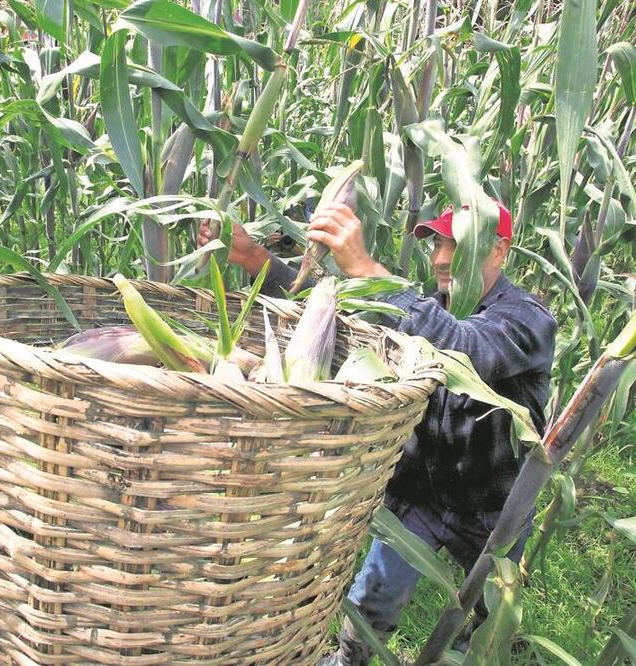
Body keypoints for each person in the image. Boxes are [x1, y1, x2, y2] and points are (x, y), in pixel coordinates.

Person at [197, 200, 557, 664]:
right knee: (372, 601)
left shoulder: (528, 318)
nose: (441, 258)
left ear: (498, 251)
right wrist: (253, 258)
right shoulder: (428, 306)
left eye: (458, 245)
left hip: (490, 504)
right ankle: (351, 658)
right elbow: (328, 316)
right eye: (438, 244)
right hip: (417, 496)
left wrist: (367, 269)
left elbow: (466, 349)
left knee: (488, 613)